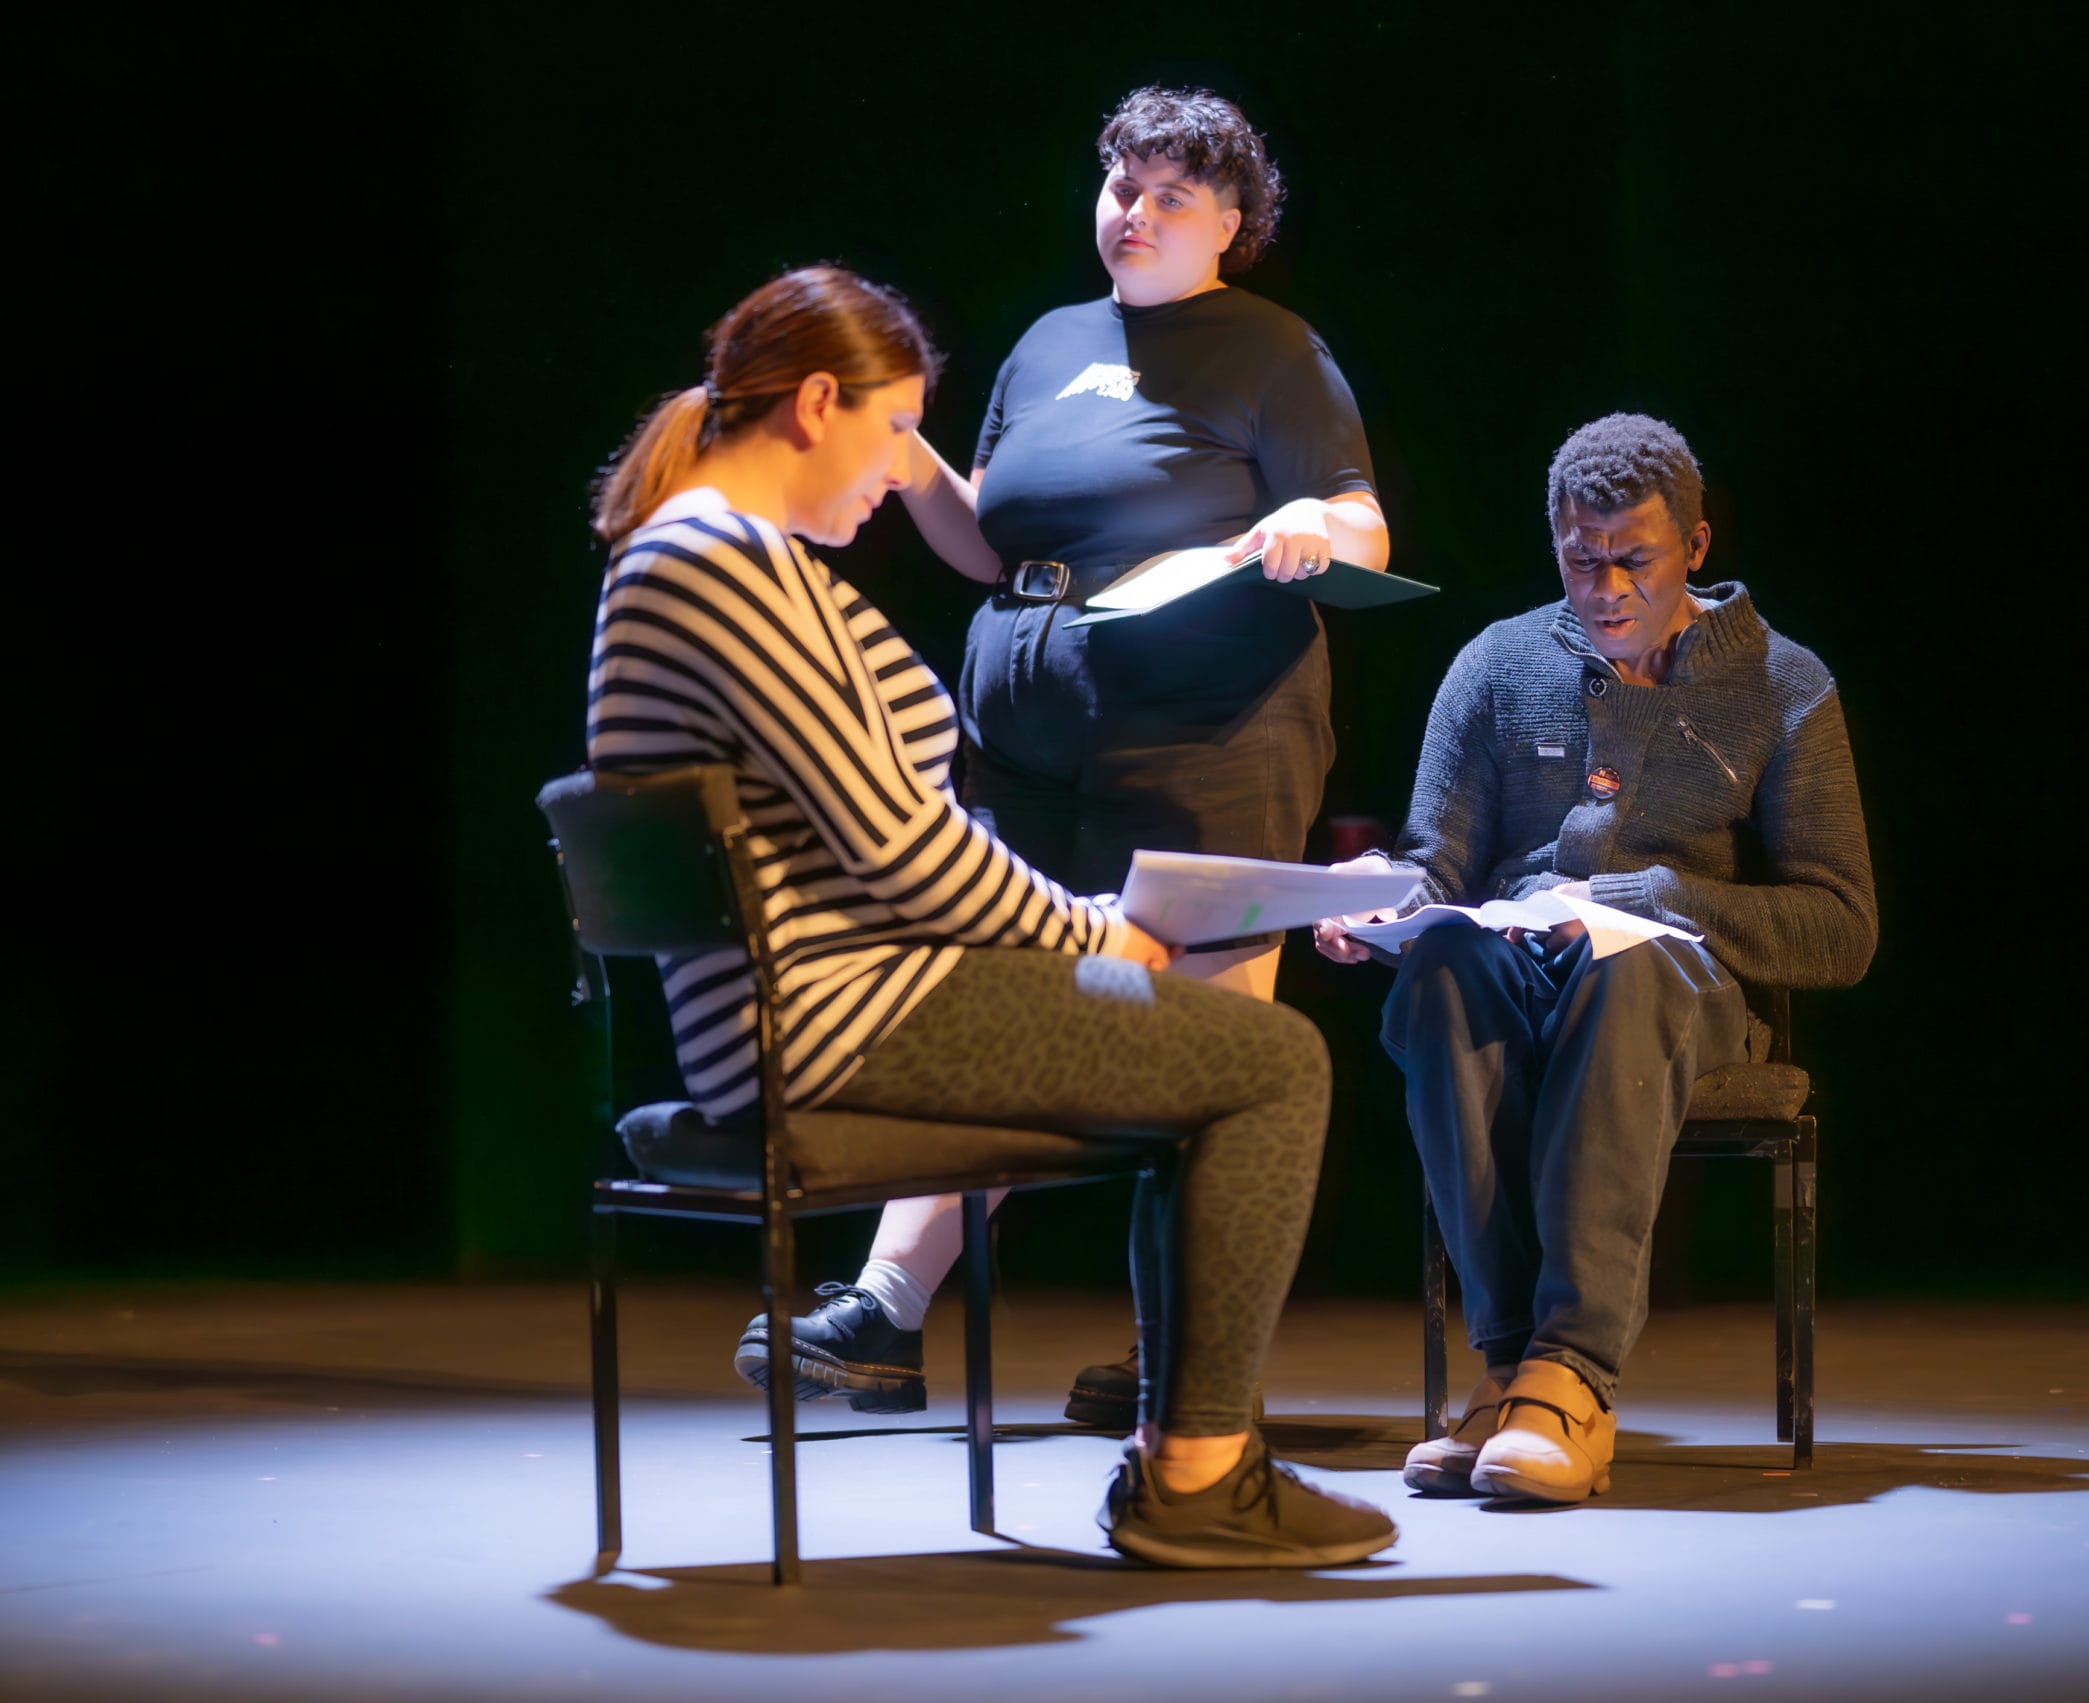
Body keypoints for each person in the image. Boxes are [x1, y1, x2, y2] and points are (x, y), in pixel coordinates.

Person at [586, 264, 1395, 1567]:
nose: (907, 468)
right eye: (896, 428)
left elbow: (888, 844)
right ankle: (1197, 1472)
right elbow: (908, 854)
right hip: (833, 1018)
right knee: (1275, 1059)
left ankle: (1181, 1428)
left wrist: (1090, 927)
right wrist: (1102, 935)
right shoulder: (721, 565)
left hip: (824, 999)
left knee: (1211, 1043)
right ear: (814, 404)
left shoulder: (699, 557)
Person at [755, 87, 1391, 1430]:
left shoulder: (1271, 348)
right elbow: (990, 541)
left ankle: (1188, 1359)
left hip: (1209, 729)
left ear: (1233, 223)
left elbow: (1361, 523)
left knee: (1204, 1034)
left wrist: (1310, 532)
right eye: (1120, 183)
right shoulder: (1049, 344)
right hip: (1029, 736)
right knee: (1007, 1003)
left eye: (1171, 194)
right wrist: (897, 439)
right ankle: (883, 1312)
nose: (1135, 212)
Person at [1315, 413, 1878, 1505]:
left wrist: (1648, 898)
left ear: (1696, 546)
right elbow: (1439, 863)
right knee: (1438, 974)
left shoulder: (1782, 682)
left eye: (1634, 559)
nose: (1606, 585)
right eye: (1581, 559)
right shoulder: (1498, 663)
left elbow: (1842, 922)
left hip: (1685, 980)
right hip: (1518, 959)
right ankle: (1510, 1365)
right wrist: (1379, 903)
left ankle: (1570, 1372)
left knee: (1624, 970)